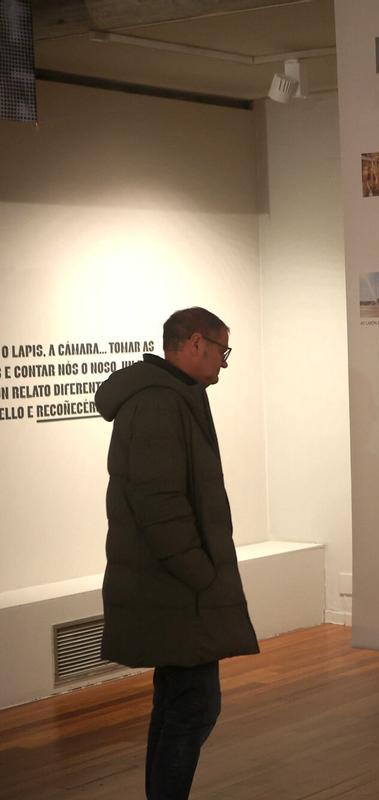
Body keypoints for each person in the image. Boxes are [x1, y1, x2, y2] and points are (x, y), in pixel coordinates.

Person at [95, 307, 258, 800]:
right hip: (177, 591)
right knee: (195, 707)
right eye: (221, 350)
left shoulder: (170, 397)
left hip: (171, 590)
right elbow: (160, 505)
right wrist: (202, 573)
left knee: (177, 703)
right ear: (193, 343)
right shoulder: (159, 405)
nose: (224, 363)